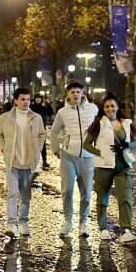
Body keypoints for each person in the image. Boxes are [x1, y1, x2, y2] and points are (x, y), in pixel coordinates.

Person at [83, 94, 136, 243]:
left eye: (112, 105)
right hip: (104, 166)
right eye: (107, 106)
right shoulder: (98, 124)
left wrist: (126, 145)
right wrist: (101, 153)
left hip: (123, 165)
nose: (110, 108)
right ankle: (103, 228)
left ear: (117, 107)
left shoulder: (126, 123)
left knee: (125, 198)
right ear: (103, 109)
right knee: (102, 198)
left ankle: (126, 231)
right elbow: (86, 144)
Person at [0, 88, 46, 239]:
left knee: (25, 196)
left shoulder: (36, 118)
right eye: (22, 99)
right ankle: (11, 224)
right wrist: (4, 148)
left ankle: (23, 222)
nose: (26, 102)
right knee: (12, 193)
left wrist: (37, 149)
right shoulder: (5, 118)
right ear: (15, 101)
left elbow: (42, 134)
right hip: (12, 163)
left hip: (29, 163)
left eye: (28, 99)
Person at [50, 81, 98, 237]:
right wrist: (56, 149)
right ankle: (68, 222)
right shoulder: (62, 112)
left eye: (78, 91)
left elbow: (103, 129)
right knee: (67, 190)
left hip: (88, 156)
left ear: (82, 93)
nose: (76, 94)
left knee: (87, 193)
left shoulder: (93, 109)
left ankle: (83, 224)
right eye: (72, 92)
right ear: (67, 95)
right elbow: (54, 132)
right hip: (68, 156)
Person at [31, 95, 52, 169]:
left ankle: (44, 161)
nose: (38, 100)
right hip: (32, 129)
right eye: (37, 98)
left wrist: (48, 104)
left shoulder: (43, 108)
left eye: (39, 99)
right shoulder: (31, 108)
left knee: (43, 146)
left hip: (42, 129)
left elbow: (50, 112)